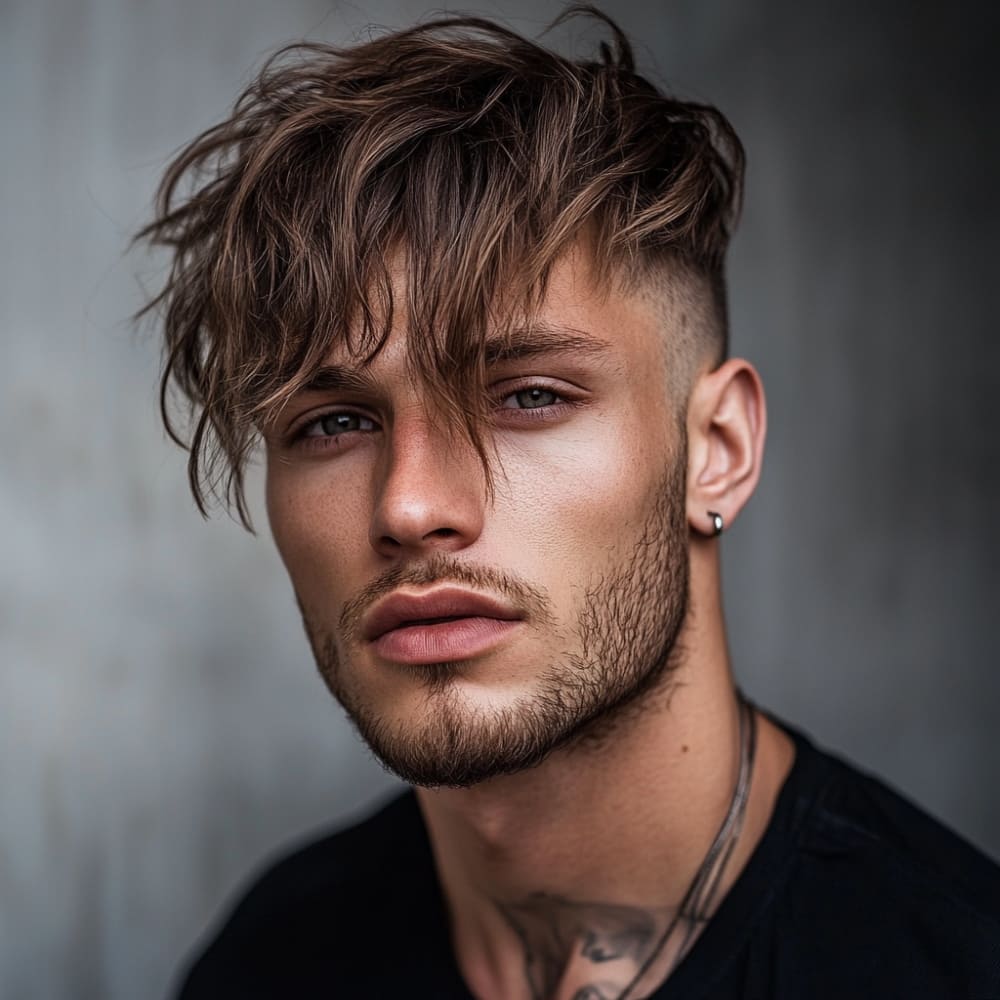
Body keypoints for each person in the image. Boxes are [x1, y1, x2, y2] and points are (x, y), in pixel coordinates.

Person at [137, 8, 1000, 998]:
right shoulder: (272, 961)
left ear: (715, 450)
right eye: (333, 423)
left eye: (527, 397)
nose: (411, 506)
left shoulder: (950, 963)